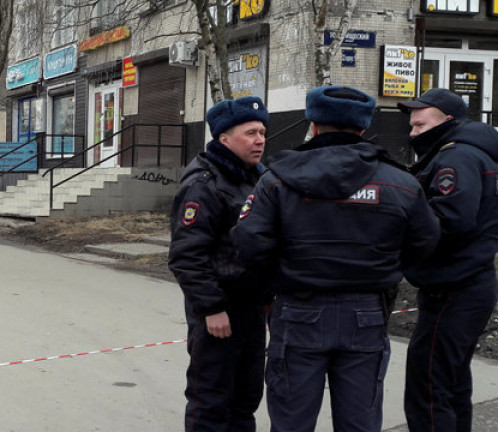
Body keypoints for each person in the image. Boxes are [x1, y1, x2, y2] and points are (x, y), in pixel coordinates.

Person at [230, 86, 440, 432]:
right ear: (363, 127)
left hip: (298, 311)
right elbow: (426, 242)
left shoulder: (277, 180)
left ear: (313, 124)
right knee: (360, 422)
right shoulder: (401, 183)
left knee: (291, 422)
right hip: (366, 314)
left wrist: (280, 275)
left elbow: (250, 242)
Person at [397, 88, 498, 431]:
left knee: (429, 386)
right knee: (452, 383)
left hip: (453, 288)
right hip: (467, 283)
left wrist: (397, 228)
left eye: (420, 125)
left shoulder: (455, 158)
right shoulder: (473, 155)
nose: (413, 133)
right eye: (412, 127)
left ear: (447, 121)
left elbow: (448, 221)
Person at [168, 96, 269, 432]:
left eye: (262, 132)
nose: (260, 140)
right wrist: (212, 307)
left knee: (245, 399)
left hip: (252, 309)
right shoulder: (204, 185)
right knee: (210, 401)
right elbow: (187, 255)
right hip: (218, 313)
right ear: (224, 138)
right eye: (250, 132)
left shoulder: (257, 179)